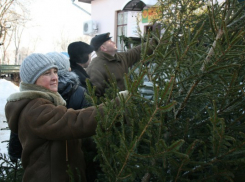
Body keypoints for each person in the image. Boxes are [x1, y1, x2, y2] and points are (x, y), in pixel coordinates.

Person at [5, 53, 127, 182]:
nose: (54, 78)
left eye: (55, 72)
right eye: (47, 73)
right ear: (32, 80)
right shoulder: (34, 108)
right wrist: (117, 104)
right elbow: (74, 122)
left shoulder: (43, 102)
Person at [86, 32, 156, 97]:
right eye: (110, 41)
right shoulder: (95, 68)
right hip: (113, 108)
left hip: (128, 102)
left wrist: (156, 41)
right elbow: (94, 97)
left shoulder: (120, 57)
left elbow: (137, 52)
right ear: (103, 48)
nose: (114, 42)